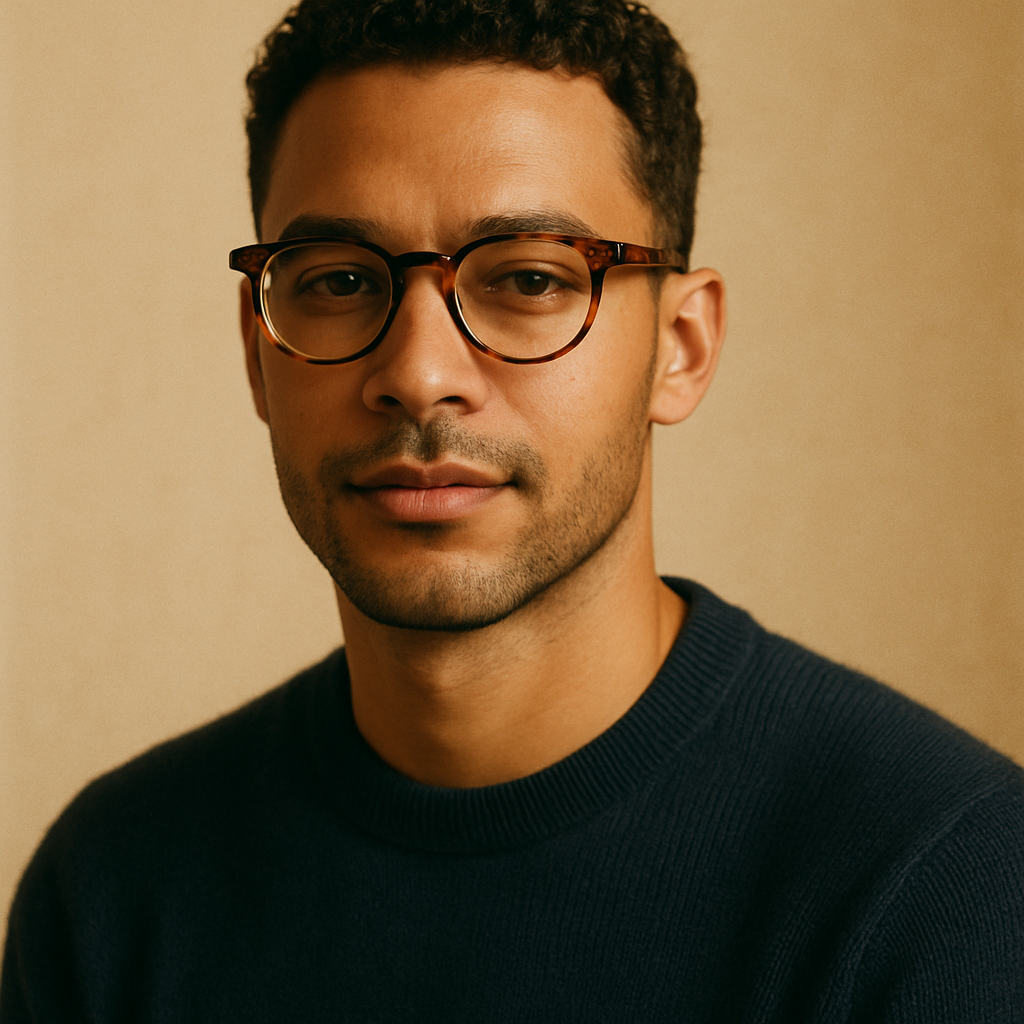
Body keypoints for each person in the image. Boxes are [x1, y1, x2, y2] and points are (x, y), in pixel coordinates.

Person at [2, 0, 1022, 1019]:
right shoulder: (114, 890)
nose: (418, 374)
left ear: (681, 347)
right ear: (255, 347)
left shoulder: (947, 887)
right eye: (340, 281)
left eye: (529, 278)